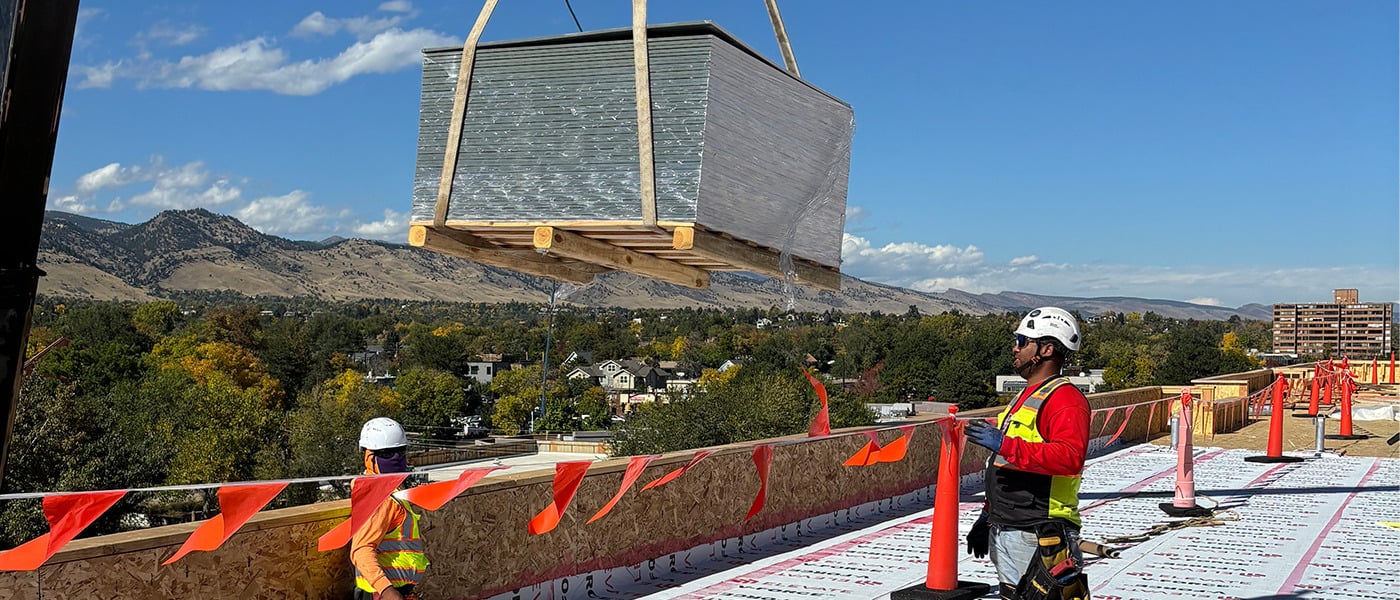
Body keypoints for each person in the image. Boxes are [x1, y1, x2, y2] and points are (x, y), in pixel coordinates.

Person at [964, 307, 1091, 600]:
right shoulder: (1027, 396)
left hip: (1040, 532)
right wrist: (987, 516)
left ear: (1046, 349)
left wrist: (1005, 444)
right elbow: (1005, 464)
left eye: (1023, 341)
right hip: (1009, 526)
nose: (1015, 347)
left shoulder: (1065, 400)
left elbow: (1070, 458)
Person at [352, 417, 427, 600]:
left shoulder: (392, 490)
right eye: (387, 453)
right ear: (369, 457)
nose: (396, 458)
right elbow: (361, 549)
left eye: (400, 451)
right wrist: (386, 590)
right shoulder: (377, 497)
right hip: (381, 594)